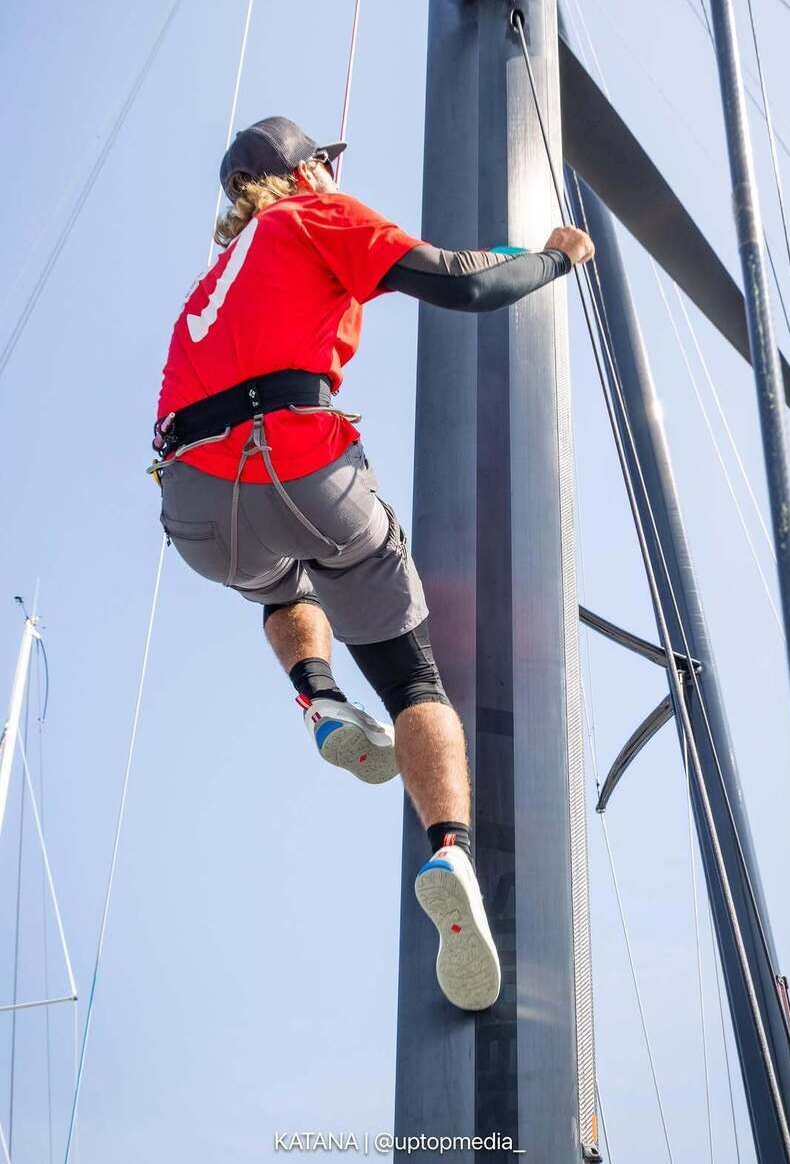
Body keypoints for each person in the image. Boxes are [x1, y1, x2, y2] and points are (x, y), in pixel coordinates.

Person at [151, 115, 594, 1013]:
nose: (331, 172)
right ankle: (451, 850)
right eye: (323, 161)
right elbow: (464, 281)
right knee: (412, 679)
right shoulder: (313, 214)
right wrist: (554, 258)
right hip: (299, 461)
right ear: (301, 170)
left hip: (193, 501)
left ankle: (317, 697)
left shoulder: (208, 284)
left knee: (280, 582)